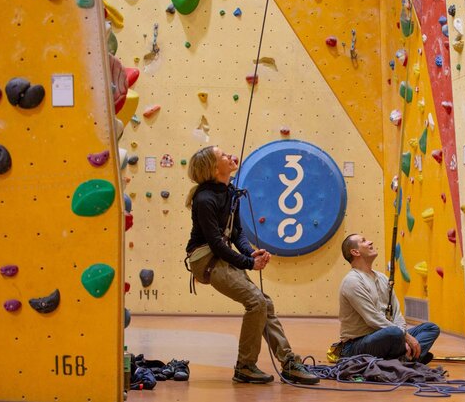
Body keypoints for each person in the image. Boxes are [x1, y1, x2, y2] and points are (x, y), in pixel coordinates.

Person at [185, 146, 319, 385]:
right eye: (223, 155)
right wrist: (249, 262)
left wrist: (250, 251)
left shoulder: (230, 192)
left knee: (263, 303)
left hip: (220, 256)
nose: (229, 156)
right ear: (215, 169)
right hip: (205, 260)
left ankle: (288, 362)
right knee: (255, 301)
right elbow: (216, 243)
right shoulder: (205, 199)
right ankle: (245, 366)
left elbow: (235, 233)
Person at [337, 233, 440, 364]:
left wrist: (404, 335)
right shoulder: (352, 281)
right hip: (357, 345)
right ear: (355, 252)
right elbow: (372, 318)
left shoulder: (382, 278)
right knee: (394, 333)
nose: (370, 241)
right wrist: (404, 336)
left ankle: (403, 359)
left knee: (431, 328)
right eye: (364, 241)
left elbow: (397, 313)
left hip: (388, 335)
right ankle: (408, 359)